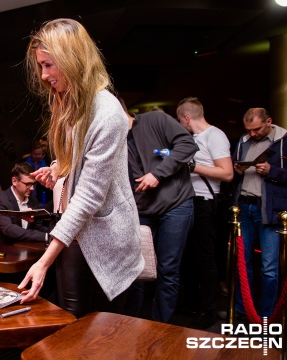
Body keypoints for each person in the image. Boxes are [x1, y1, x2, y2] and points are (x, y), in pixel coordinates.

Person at [17, 18, 144, 318]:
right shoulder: (68, 104)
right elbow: (76, 162)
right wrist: (58, 170)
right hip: (75, 233)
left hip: (107, 239)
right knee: (71, 321)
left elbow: (88, 197)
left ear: (72, 58)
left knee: (103, 331)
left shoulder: (108, 112)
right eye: (41, 66)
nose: (44, 75)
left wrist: (44, 262)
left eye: (49, 65)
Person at [120, 99, 198, 324]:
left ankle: (160, 326)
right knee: (136, 270)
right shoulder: (111, 139)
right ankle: (131, 326)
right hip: (142, 209)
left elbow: (187, 144)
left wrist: (158, 173)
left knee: (167, 269)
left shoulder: (155, 119)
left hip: (176, 205)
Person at [176, 97, 233, 328]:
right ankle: (190, 305)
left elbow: (227, 173)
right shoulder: (192, 138)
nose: (181, 125)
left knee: (205, 259)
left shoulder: (215, 135)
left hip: (205, 203)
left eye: (180, 121)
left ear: (187, 118)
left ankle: (208, 310)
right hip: (190, 200)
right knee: (188, 258)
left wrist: (191, 166)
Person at [232, 108, 287, 318]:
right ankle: (241, 312)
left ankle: (267, 317)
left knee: (269, 269)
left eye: (256, 129)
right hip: (244, 207)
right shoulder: (243, 142)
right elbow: (232, 176)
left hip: (270, 209)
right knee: (242, 265)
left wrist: (273, 172)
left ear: (269, 122)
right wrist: (236, 172)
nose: (252, 134)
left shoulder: (284, 140)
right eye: (249, 130)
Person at [0, 162, 50, 245]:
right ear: (14, 181)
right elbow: (9, 230)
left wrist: (56, 235)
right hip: (0, 250)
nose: (32, 188)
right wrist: (46, 236)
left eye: (33, 184)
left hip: (24, 249)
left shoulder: (33, 201)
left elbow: (37, 227)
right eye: (28, 184)